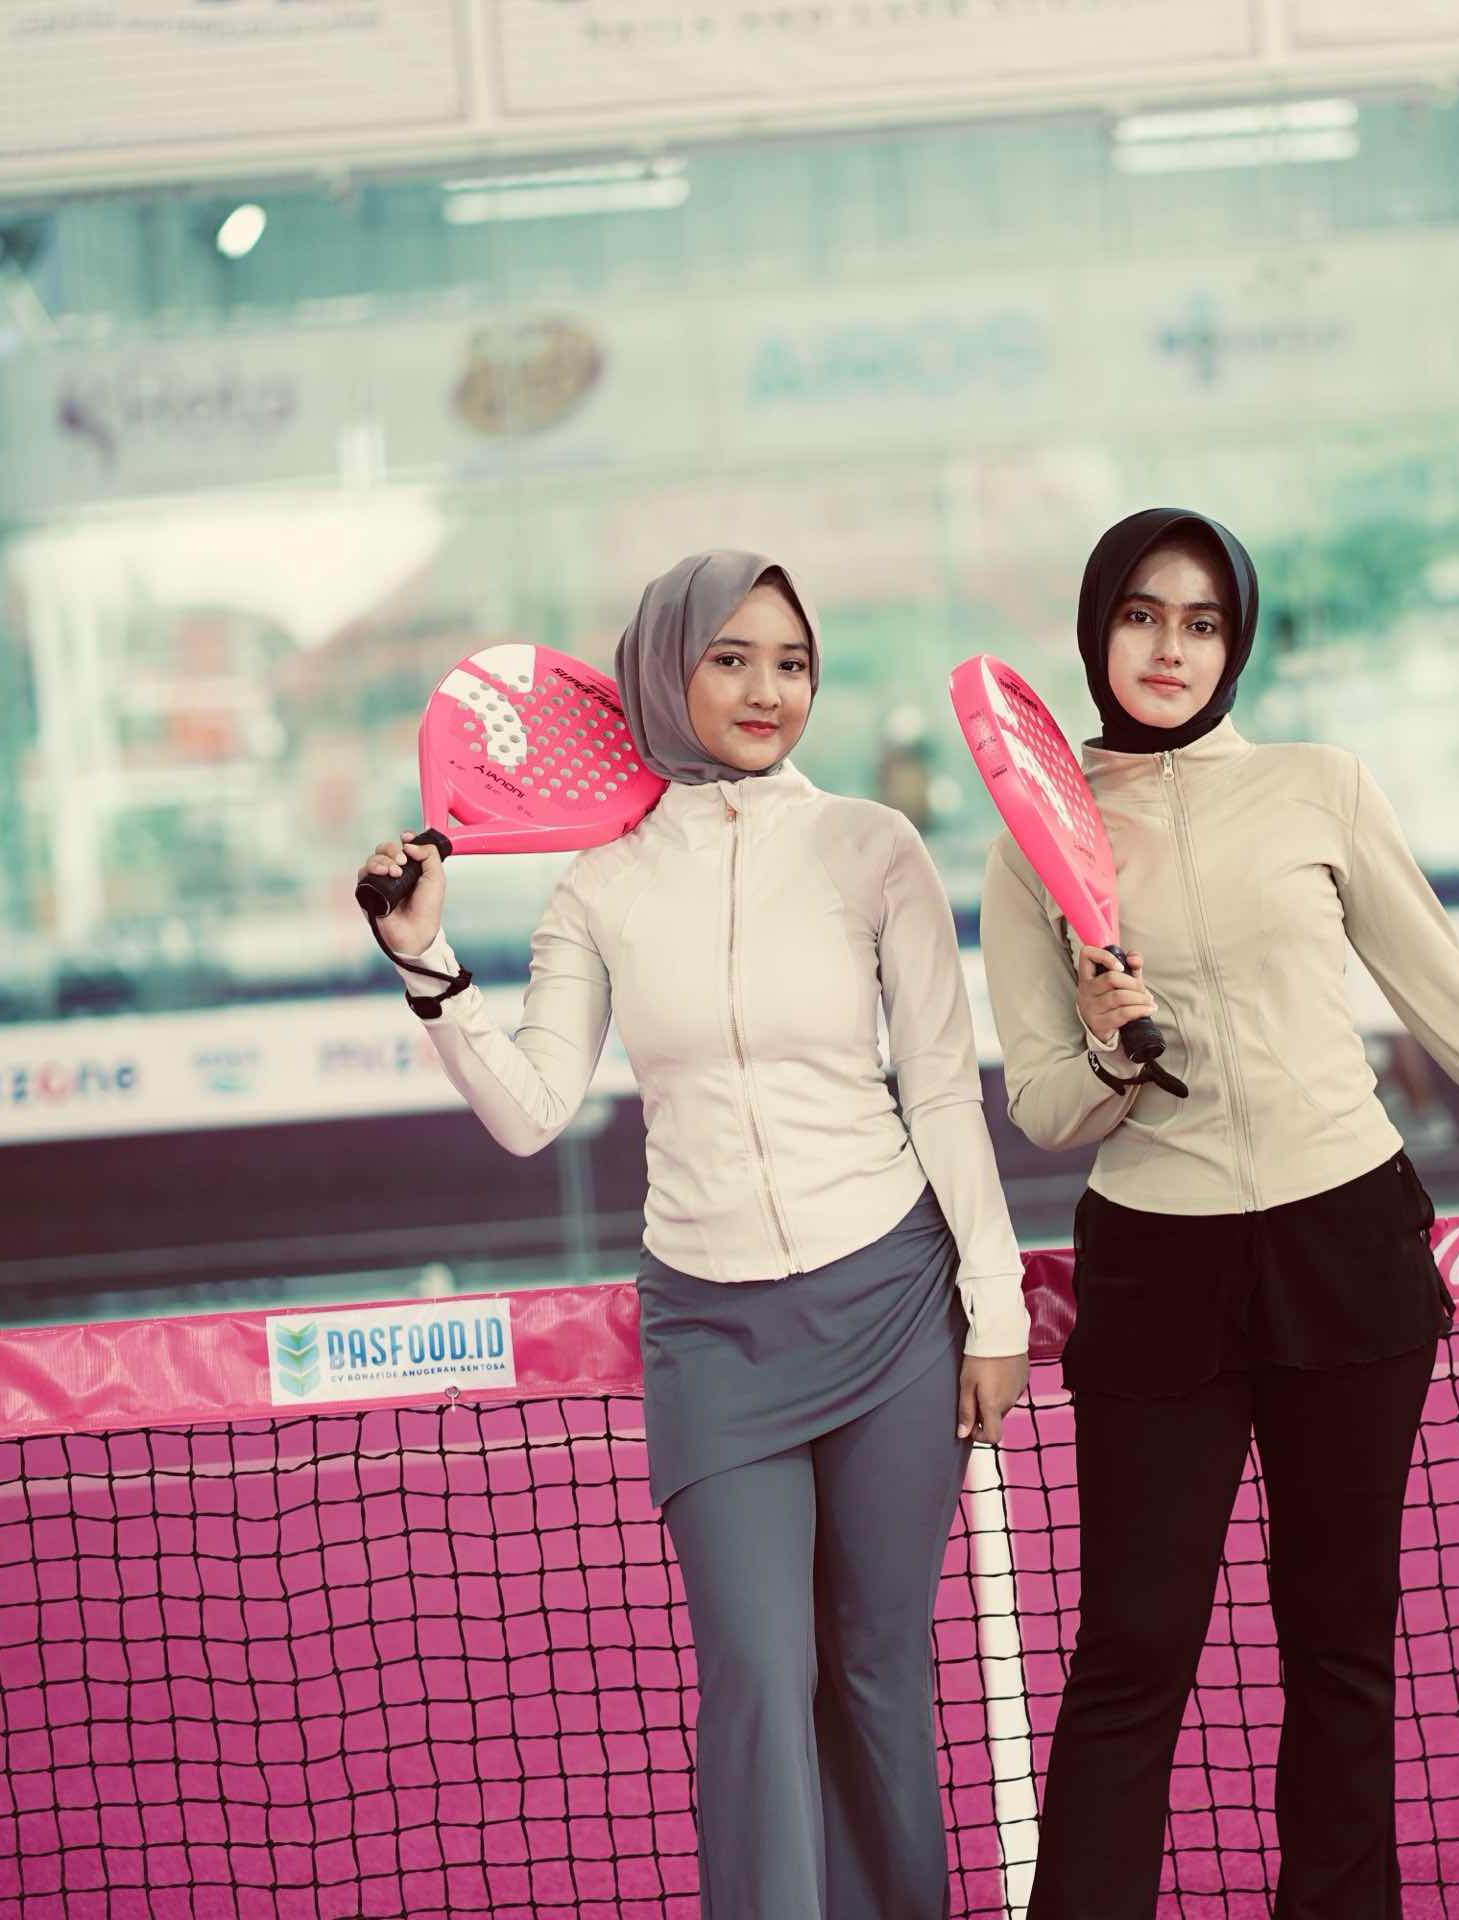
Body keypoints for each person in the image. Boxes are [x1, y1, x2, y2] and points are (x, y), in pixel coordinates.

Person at [978, 507, 1459, 1920]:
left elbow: (1450, 1004)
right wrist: (1116, 1048)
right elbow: (1047, 1109)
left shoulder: (1320, 788)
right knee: (1132, 1653)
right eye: (1141, 616)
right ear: (1096, 630)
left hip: (1345, 1242)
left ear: (1237, 642)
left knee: (1339, 1645)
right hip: (1157, 1271)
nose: (1170, 647)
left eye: (1202, 622)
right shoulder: (1035, 840)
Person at [357, 550, 1029, 1920]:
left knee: (879, 1670)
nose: (767, 689)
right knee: (760, 1675)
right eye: (730, 658)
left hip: (896, 1306)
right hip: (712, 1336)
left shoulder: (873, 848)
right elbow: (532, 1112)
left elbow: (943, 1092)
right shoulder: (597, 887)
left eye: (792, 662)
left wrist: (997, 1305)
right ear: (665, 672)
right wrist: (427, 963)